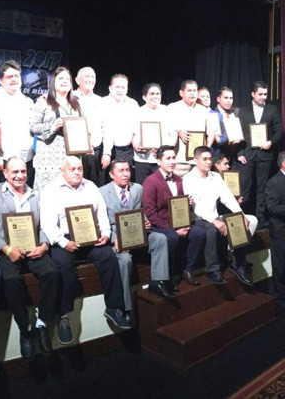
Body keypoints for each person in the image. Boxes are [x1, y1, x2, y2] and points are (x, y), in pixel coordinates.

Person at [40, 156, 131, 343]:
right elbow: (47, 223)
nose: (77, 172)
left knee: (108, 257)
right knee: (63, 266)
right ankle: (63, 317)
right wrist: (64, 243)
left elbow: (102, 214)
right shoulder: (50, 190)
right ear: (62, 171)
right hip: (63, 240)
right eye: (72, 169)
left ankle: (114, 307)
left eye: (79, 168)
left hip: (90, 236)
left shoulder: (90, 186)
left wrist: (105, 233)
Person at [0, 156, 59, 360]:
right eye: (14, 172)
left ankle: (42, 324)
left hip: (33, 248)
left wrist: (43, 246)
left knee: (52, 272)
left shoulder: (35, 195)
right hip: (8, 249)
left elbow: (44, 226)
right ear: (5, 173)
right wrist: (7, 250)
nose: (19, 175)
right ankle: (25, 330)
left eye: (23, 171)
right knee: (11, 279)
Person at [99, 160, 175, 301]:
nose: (126, 174)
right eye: (121, 171)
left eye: (127, 170)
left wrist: (145, 220)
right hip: (116, 237)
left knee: (160, 239)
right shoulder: (101, 192)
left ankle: (158, 282)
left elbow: (141, 211)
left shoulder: (137, 188)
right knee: (125, 260)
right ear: (111, 174)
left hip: (137, 233)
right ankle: (125, 306)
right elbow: (100, 221)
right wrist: (114, 238)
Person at [184, 146, 258, 285]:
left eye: (210, 159)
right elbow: (196, 207)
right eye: (204, 159)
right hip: (199, 218)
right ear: (195, 160)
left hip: (215, 216)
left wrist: (240, 214)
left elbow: (228, 198)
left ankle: (234, 258)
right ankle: (212, 270)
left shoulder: (216, 176)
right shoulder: (188, 178)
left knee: (252, 220)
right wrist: (214, 221)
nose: (208, 162)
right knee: (211, 229)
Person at [142, 146, 206, 286]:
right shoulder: (150, 181)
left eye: (174, 158)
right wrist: (172, 228)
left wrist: (188, 203)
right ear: (159, 161)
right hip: (159, 225)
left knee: (199, 232)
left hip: (177, 222)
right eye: (168, 158)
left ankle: (187, 269)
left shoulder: (178, 179)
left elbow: (179, 207)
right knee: (172, 237)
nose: (172, 161)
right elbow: (150, 213)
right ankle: (171, 274)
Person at [30, 67, 83, 191]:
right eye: (61, 78)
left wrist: (87, 143)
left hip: (72, 154)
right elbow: (33, 127)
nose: (64, 81)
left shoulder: (77, 104)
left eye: (67, 79)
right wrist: (52, 126)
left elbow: (83, 126)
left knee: (70, 190)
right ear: (53, 82)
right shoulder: (44, 102)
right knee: (49, 192)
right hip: (49, 156)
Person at [0, 60, 35, 185]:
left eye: (17, 76)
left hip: (25, 161)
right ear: (0, 80)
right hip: (2, 161)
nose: (14, 79)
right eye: (9, 76)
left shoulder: (28, 101)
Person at [238, 81, 282, 225]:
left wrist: (271, 142)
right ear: (253, 94)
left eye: (265, 94)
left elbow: (279, 129)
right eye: (260, 94)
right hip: (248, 154)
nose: (263, 97)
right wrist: (240, 153)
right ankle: (243, 216)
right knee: (245, 186)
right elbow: (239, 134)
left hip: (265, 155)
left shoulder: (272, 110)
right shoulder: (243, 111)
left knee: (262, 187)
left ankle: (260, 217)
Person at [168, 80, 219, 177]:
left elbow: (211, 133)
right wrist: (178, 131)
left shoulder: (204, 110)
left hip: (197, 163)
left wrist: (205, 150)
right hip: (179, 161)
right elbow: (167, 130)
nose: (192, 93)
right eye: (189, 90)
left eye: (194, 91)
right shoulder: (172, 108)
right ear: (181, 93)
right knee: (178, 191)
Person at [133, 83, 173, 185]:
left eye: (157, 93)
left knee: (161, 192)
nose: (155, 96)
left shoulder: (167, 111)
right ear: (144, 97)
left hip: (162, 161)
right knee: (142, 191)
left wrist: (163, 150)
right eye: (152, 94)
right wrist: (135, 145)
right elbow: (133, 135)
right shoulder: (138, 112)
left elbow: (174, 135)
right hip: (142, 160)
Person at [72, 66, 105, 186]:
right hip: (76, 153)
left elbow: (106, 128)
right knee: (76, 186)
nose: (90, 79)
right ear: (77, 80)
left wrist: (106, 153)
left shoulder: (101, 101)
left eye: (93, 77)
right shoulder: (70, 98)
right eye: (87, 76)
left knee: (96, 187)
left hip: (96, 153)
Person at [101, 74, 140, 172]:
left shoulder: (133, 104)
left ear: (127, 89)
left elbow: (137, 128)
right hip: (107, 152)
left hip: (128, 151)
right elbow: (106, 130)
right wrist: (106, 153)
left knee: (126, 182)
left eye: (123, 87)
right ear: (110, 88)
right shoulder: (103, 103)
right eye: (117, 87)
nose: (120, 90)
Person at [265, 152, 285, 316]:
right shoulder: (274, 182)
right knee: (281, 263)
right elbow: (272, 207)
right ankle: (280, 297)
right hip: (281, 229)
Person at [209, 87, 243, 163]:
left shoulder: (237, 112)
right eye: (226, 98)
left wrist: (239, 137)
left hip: (235, 156)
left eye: (231, 98)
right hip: (219, 155)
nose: (229, 101)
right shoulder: (213, 115)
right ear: (218, 99)